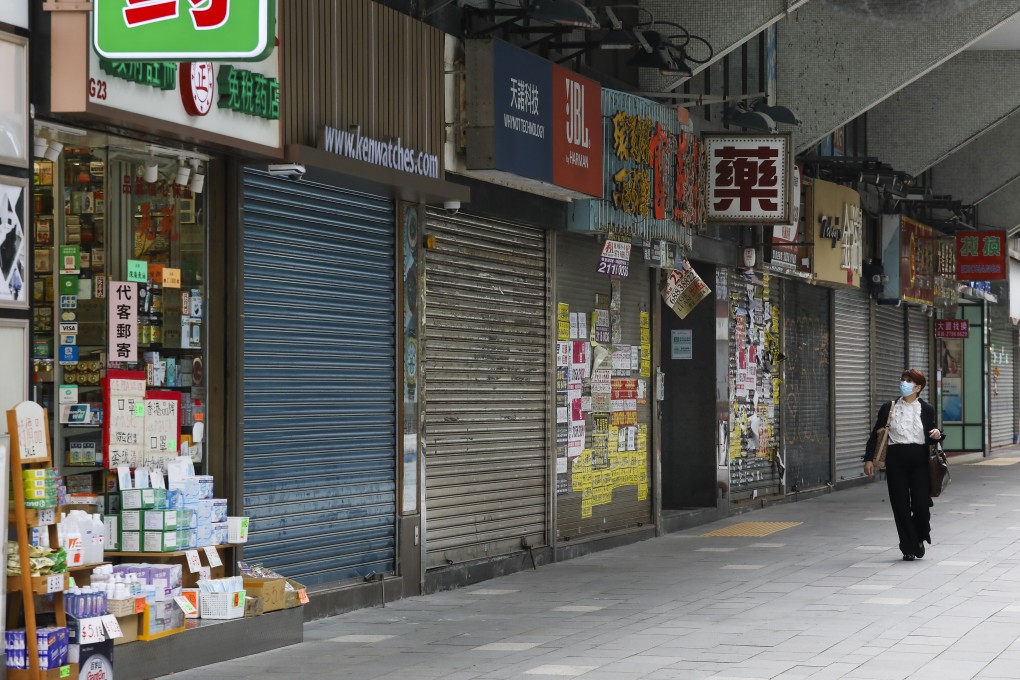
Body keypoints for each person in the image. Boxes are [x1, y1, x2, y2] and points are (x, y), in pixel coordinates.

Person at [864, 368, 943, 561]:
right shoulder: (889, 407)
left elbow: (931, 434)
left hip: (919, 461)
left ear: (918, 387)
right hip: (896, 459)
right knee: (900, 505)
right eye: (902, 380)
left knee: (921, 506)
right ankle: (909, 546)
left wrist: (937, 434)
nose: (903, 383)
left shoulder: (927, 409)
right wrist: (868, 459)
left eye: (908, 381)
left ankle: (919, 535)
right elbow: (876, 435)